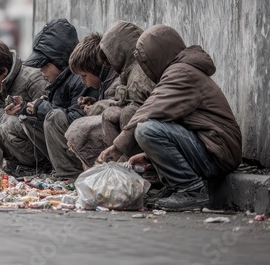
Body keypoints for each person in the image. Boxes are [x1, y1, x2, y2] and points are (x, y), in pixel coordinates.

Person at [97, 24, 242, 211]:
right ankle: (175, 187)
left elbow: (151, 108)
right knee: (150, 128)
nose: (146, 67)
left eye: (146, 61)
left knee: (146, 130)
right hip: (213, 149)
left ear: (157, 56)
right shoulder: (180, 71)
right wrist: (150, 157)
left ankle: (191, 192)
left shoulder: (182, 72)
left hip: (218, 152)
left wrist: (118, 146)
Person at [2, 18, 98, 180]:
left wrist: (42, 108)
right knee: (26, 119)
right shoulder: (59, 80)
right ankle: (53, 167)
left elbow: (77, 120)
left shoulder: (80, 79)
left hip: (84, 150)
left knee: (53, 116)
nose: (41, 71)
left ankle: (70, 173)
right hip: (67, 144)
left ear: (60, 61)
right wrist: (25, 107)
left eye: (45, 65)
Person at [66, 21, 155, 170]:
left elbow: (136, 108)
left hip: (147, 131)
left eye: (83, 75)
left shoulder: (139, 74)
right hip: (138, 131)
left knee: (119, 115)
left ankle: (130, 171)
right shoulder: (129, 71)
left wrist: (117, 147)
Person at [0, 39, 48, 175]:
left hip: (40, 145)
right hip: (17, 137)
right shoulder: (1, 82)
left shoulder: (32, 79)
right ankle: (12, 160)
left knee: (8, 124)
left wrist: (21, 112)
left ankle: (35, 165)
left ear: (4, 71)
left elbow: (46, 119)